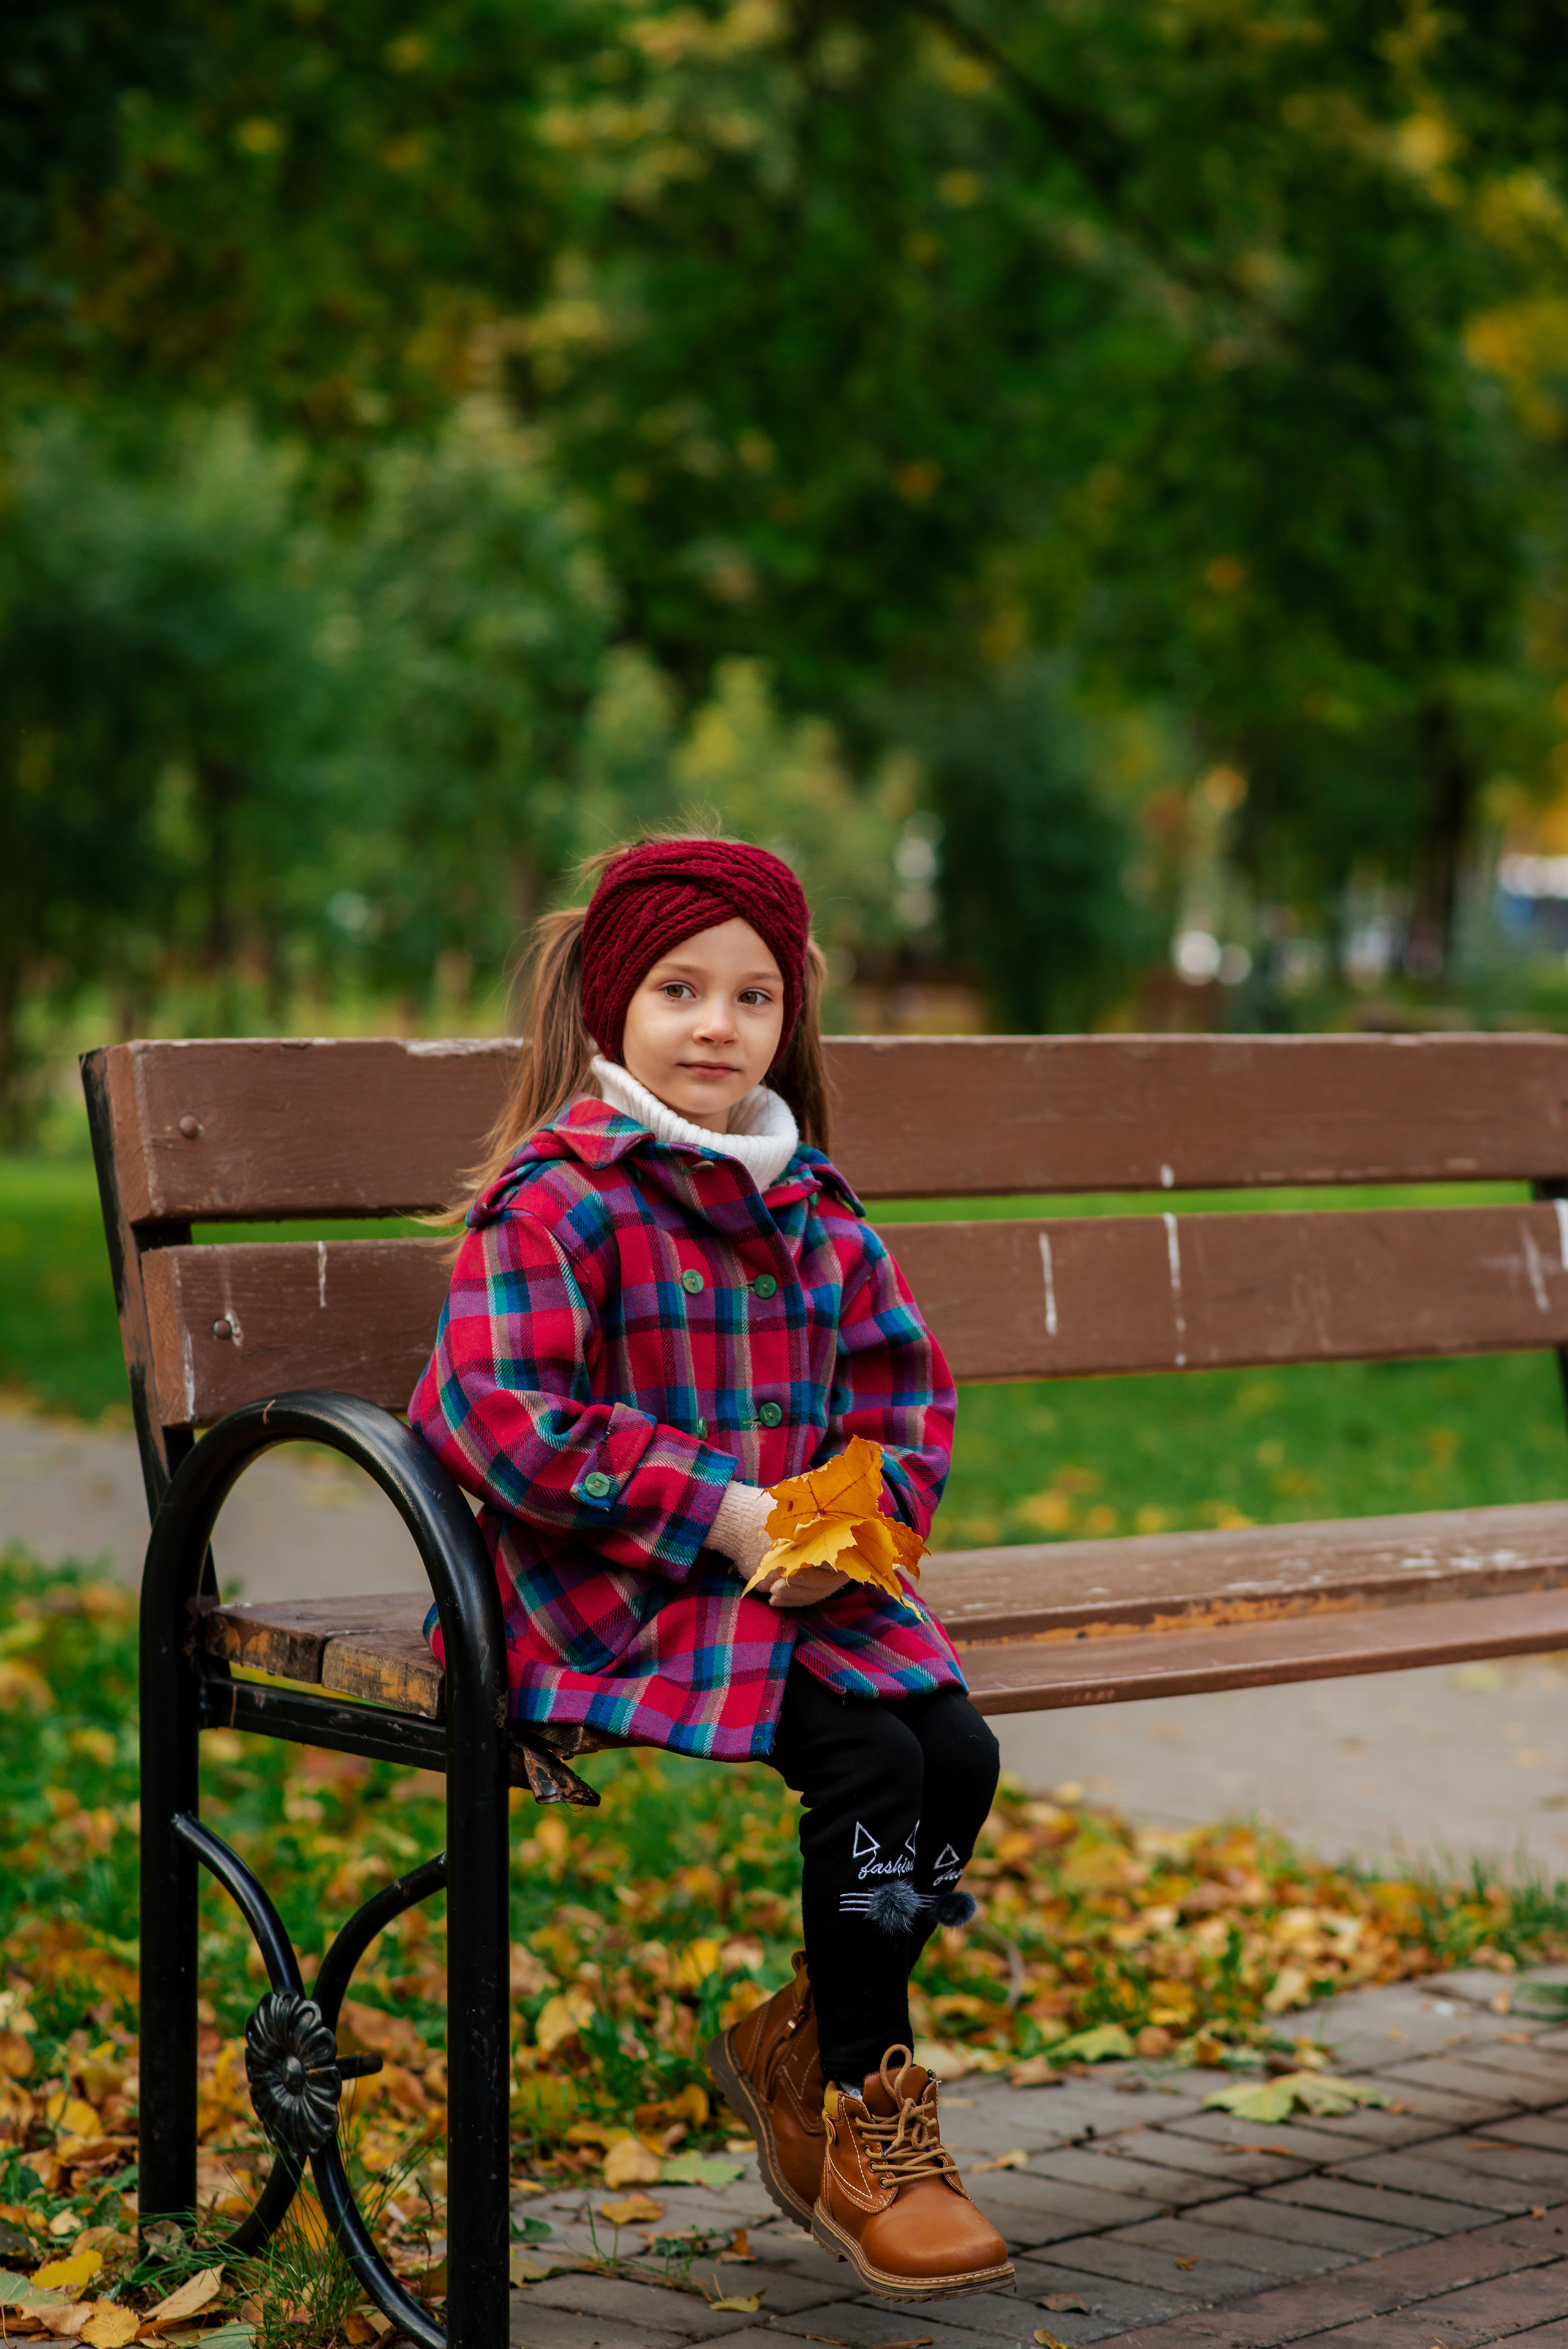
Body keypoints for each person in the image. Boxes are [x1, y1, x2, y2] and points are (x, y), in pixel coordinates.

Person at [409, 834, 1011, 2303]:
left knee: (958, 1750)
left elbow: (899, 1384)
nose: (717, 1027)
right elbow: (493, 1414)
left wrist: (852, 1526)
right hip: (609, 1582)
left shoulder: (808, 1198)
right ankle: (867, 2111)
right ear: (615, 1008)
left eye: (752, 999)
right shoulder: (558, 1198)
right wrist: (721, 1514)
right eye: (680, 990)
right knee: (869, 1760)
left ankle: (805, 2036)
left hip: (785, 1568)